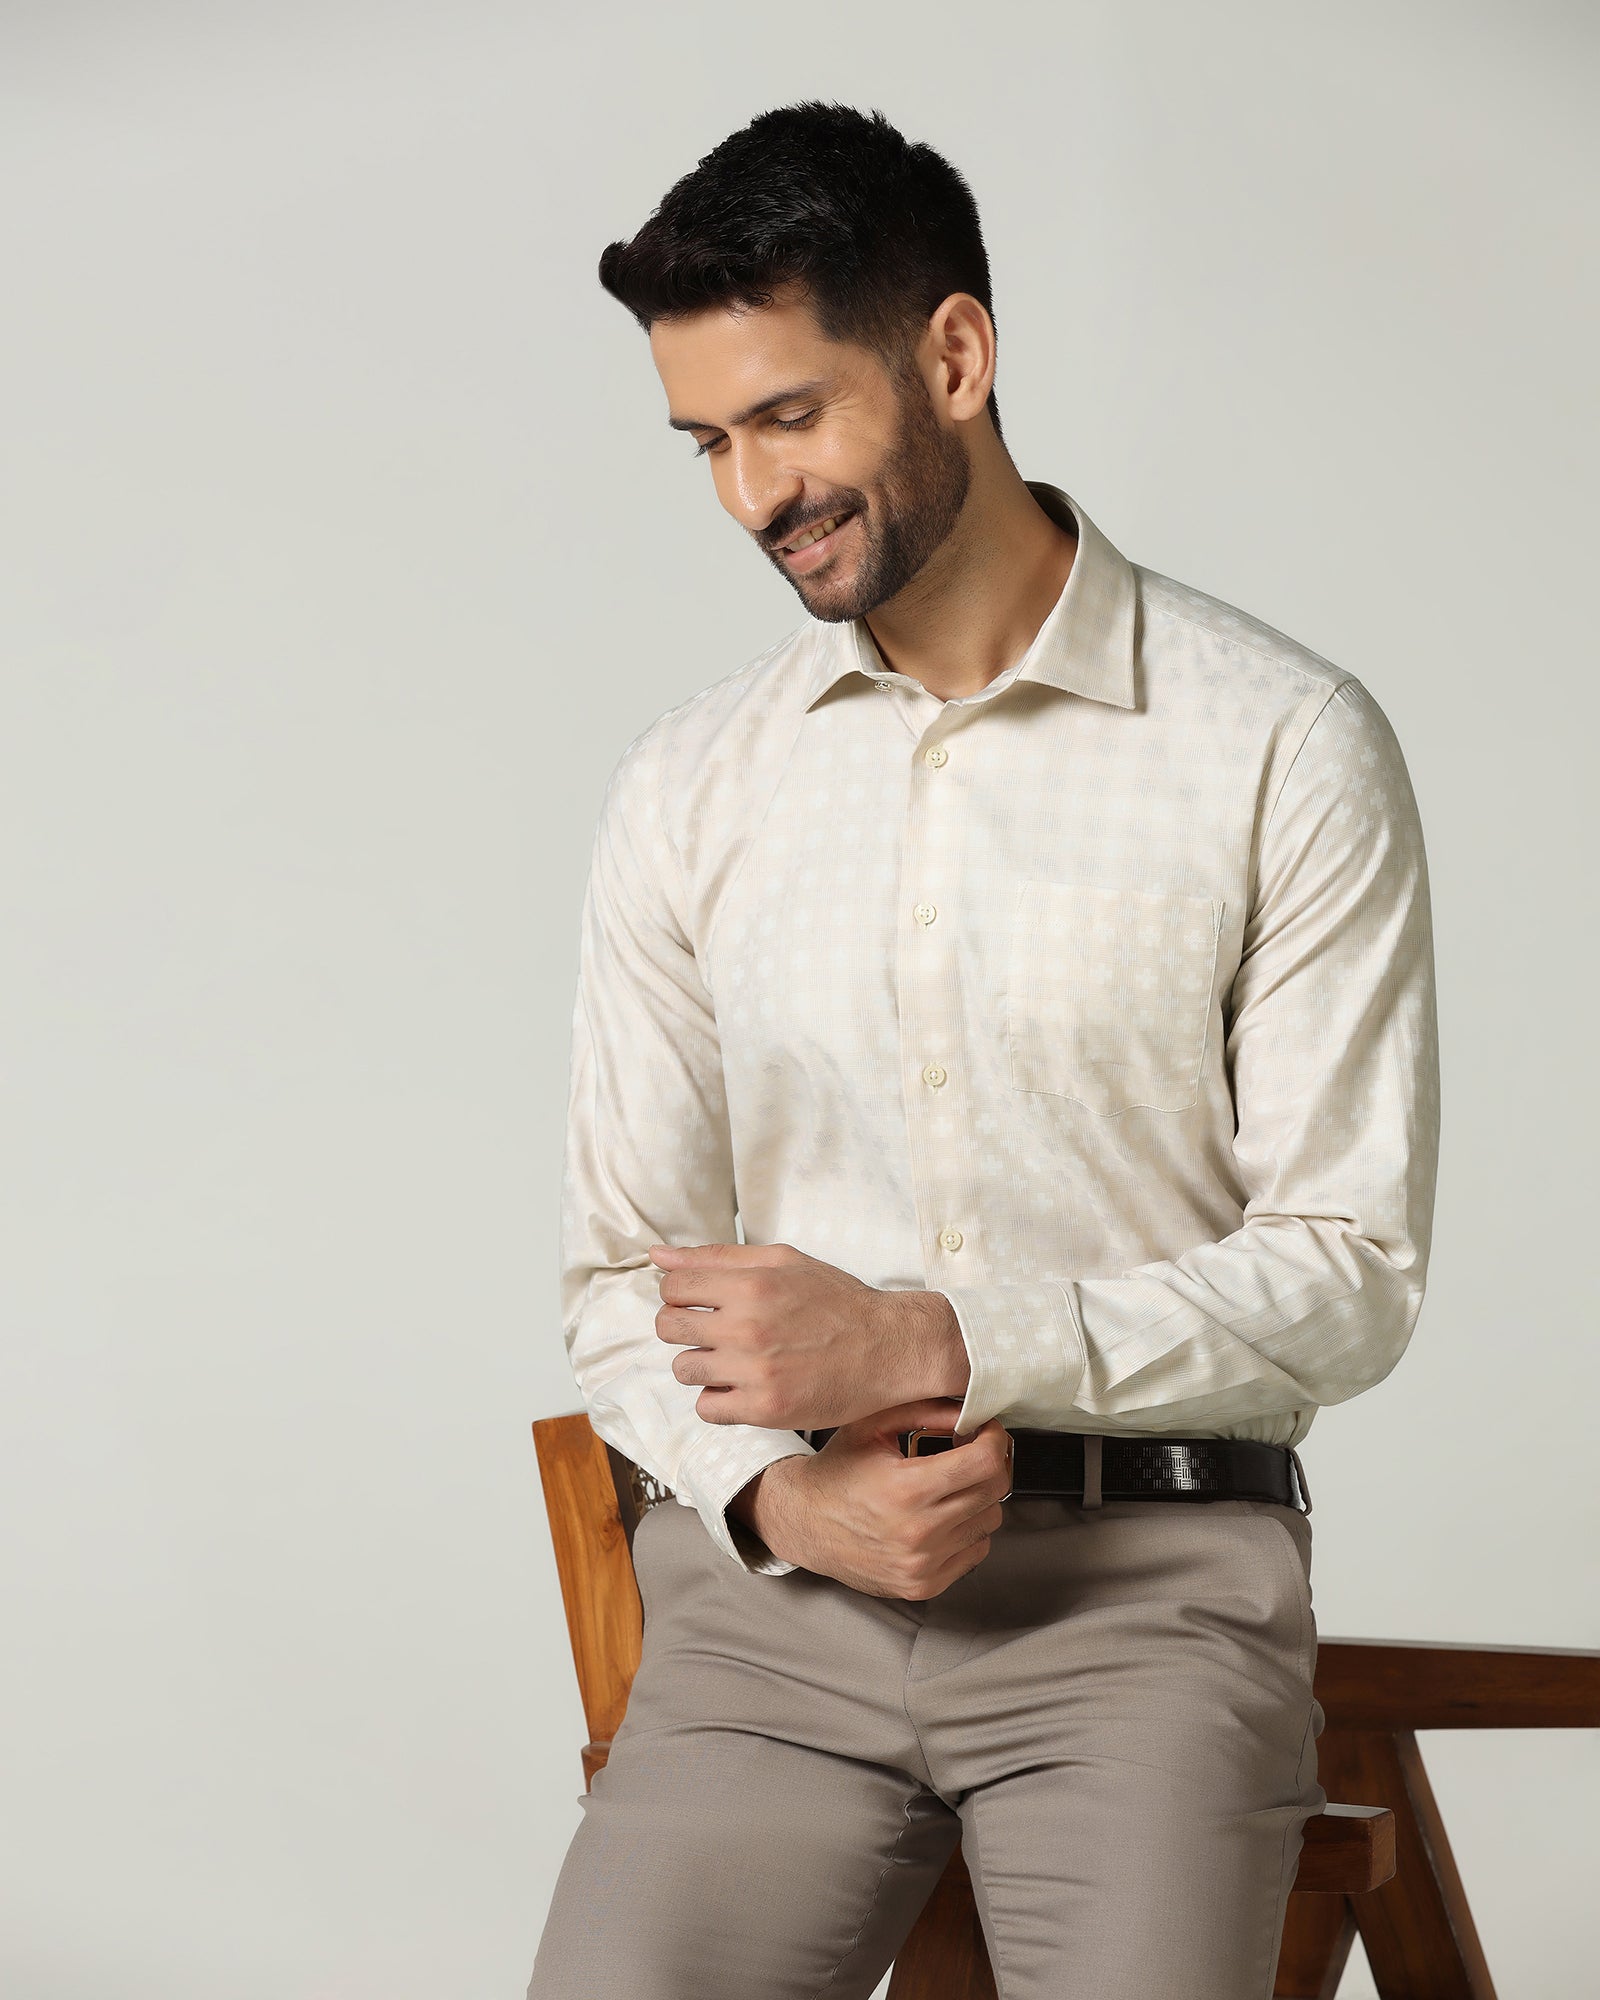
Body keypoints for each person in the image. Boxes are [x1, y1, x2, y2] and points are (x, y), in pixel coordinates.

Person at [529, 100, 1439, 2000]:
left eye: (790, 417)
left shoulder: (1281, 746)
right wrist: (785, 1500)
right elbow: (625, 1276)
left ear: (954, 355)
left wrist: (935, 1339)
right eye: (708, 443)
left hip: (1145, 1612)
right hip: (778, 1623)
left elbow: (1349, 1276)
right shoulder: (690, 787)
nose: (751, 494)